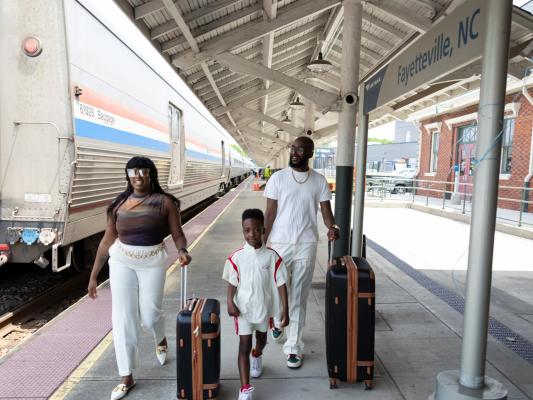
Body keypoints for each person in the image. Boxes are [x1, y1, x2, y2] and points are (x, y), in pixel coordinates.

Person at [87, 156, 191, 400]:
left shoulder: (165, 203)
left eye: (143, 172)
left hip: (152, 260)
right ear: (128, 176)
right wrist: (93, 277)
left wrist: (183, 251)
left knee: (150, 315)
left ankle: (160, 336)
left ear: (151, 174)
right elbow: (106, 241)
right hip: (122, 261)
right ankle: (126, 376)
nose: (138, 177)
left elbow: (178, 234)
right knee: (122, 318)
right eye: (133, 172)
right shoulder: (118, 204)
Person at [263, 136, 339, 369]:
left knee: (299, 296)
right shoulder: (278, 179)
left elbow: (326, 213)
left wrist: (333, 227)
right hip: (279, 243)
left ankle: (293, 346)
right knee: (278, 290)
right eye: (293, 148)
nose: (295, 152)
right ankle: (277, 321)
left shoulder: (319, 181)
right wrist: (260, 244)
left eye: (300, 149)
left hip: (306, 244)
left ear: (310, 153)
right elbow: (270, 213)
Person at [223, 209, 289, 400]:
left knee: (261, 339)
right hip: (243, 310)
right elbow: (232, 282)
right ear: (243, 231)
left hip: (264, 309)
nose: (252, 234)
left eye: (256, 230)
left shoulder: (272, 257)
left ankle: (257, 353)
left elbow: (281, 283)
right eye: (247, 230)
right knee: (243, 345)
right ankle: (245, 388)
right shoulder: (237, 257)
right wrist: (229, 301)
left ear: (263, 230)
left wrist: (285, 309)